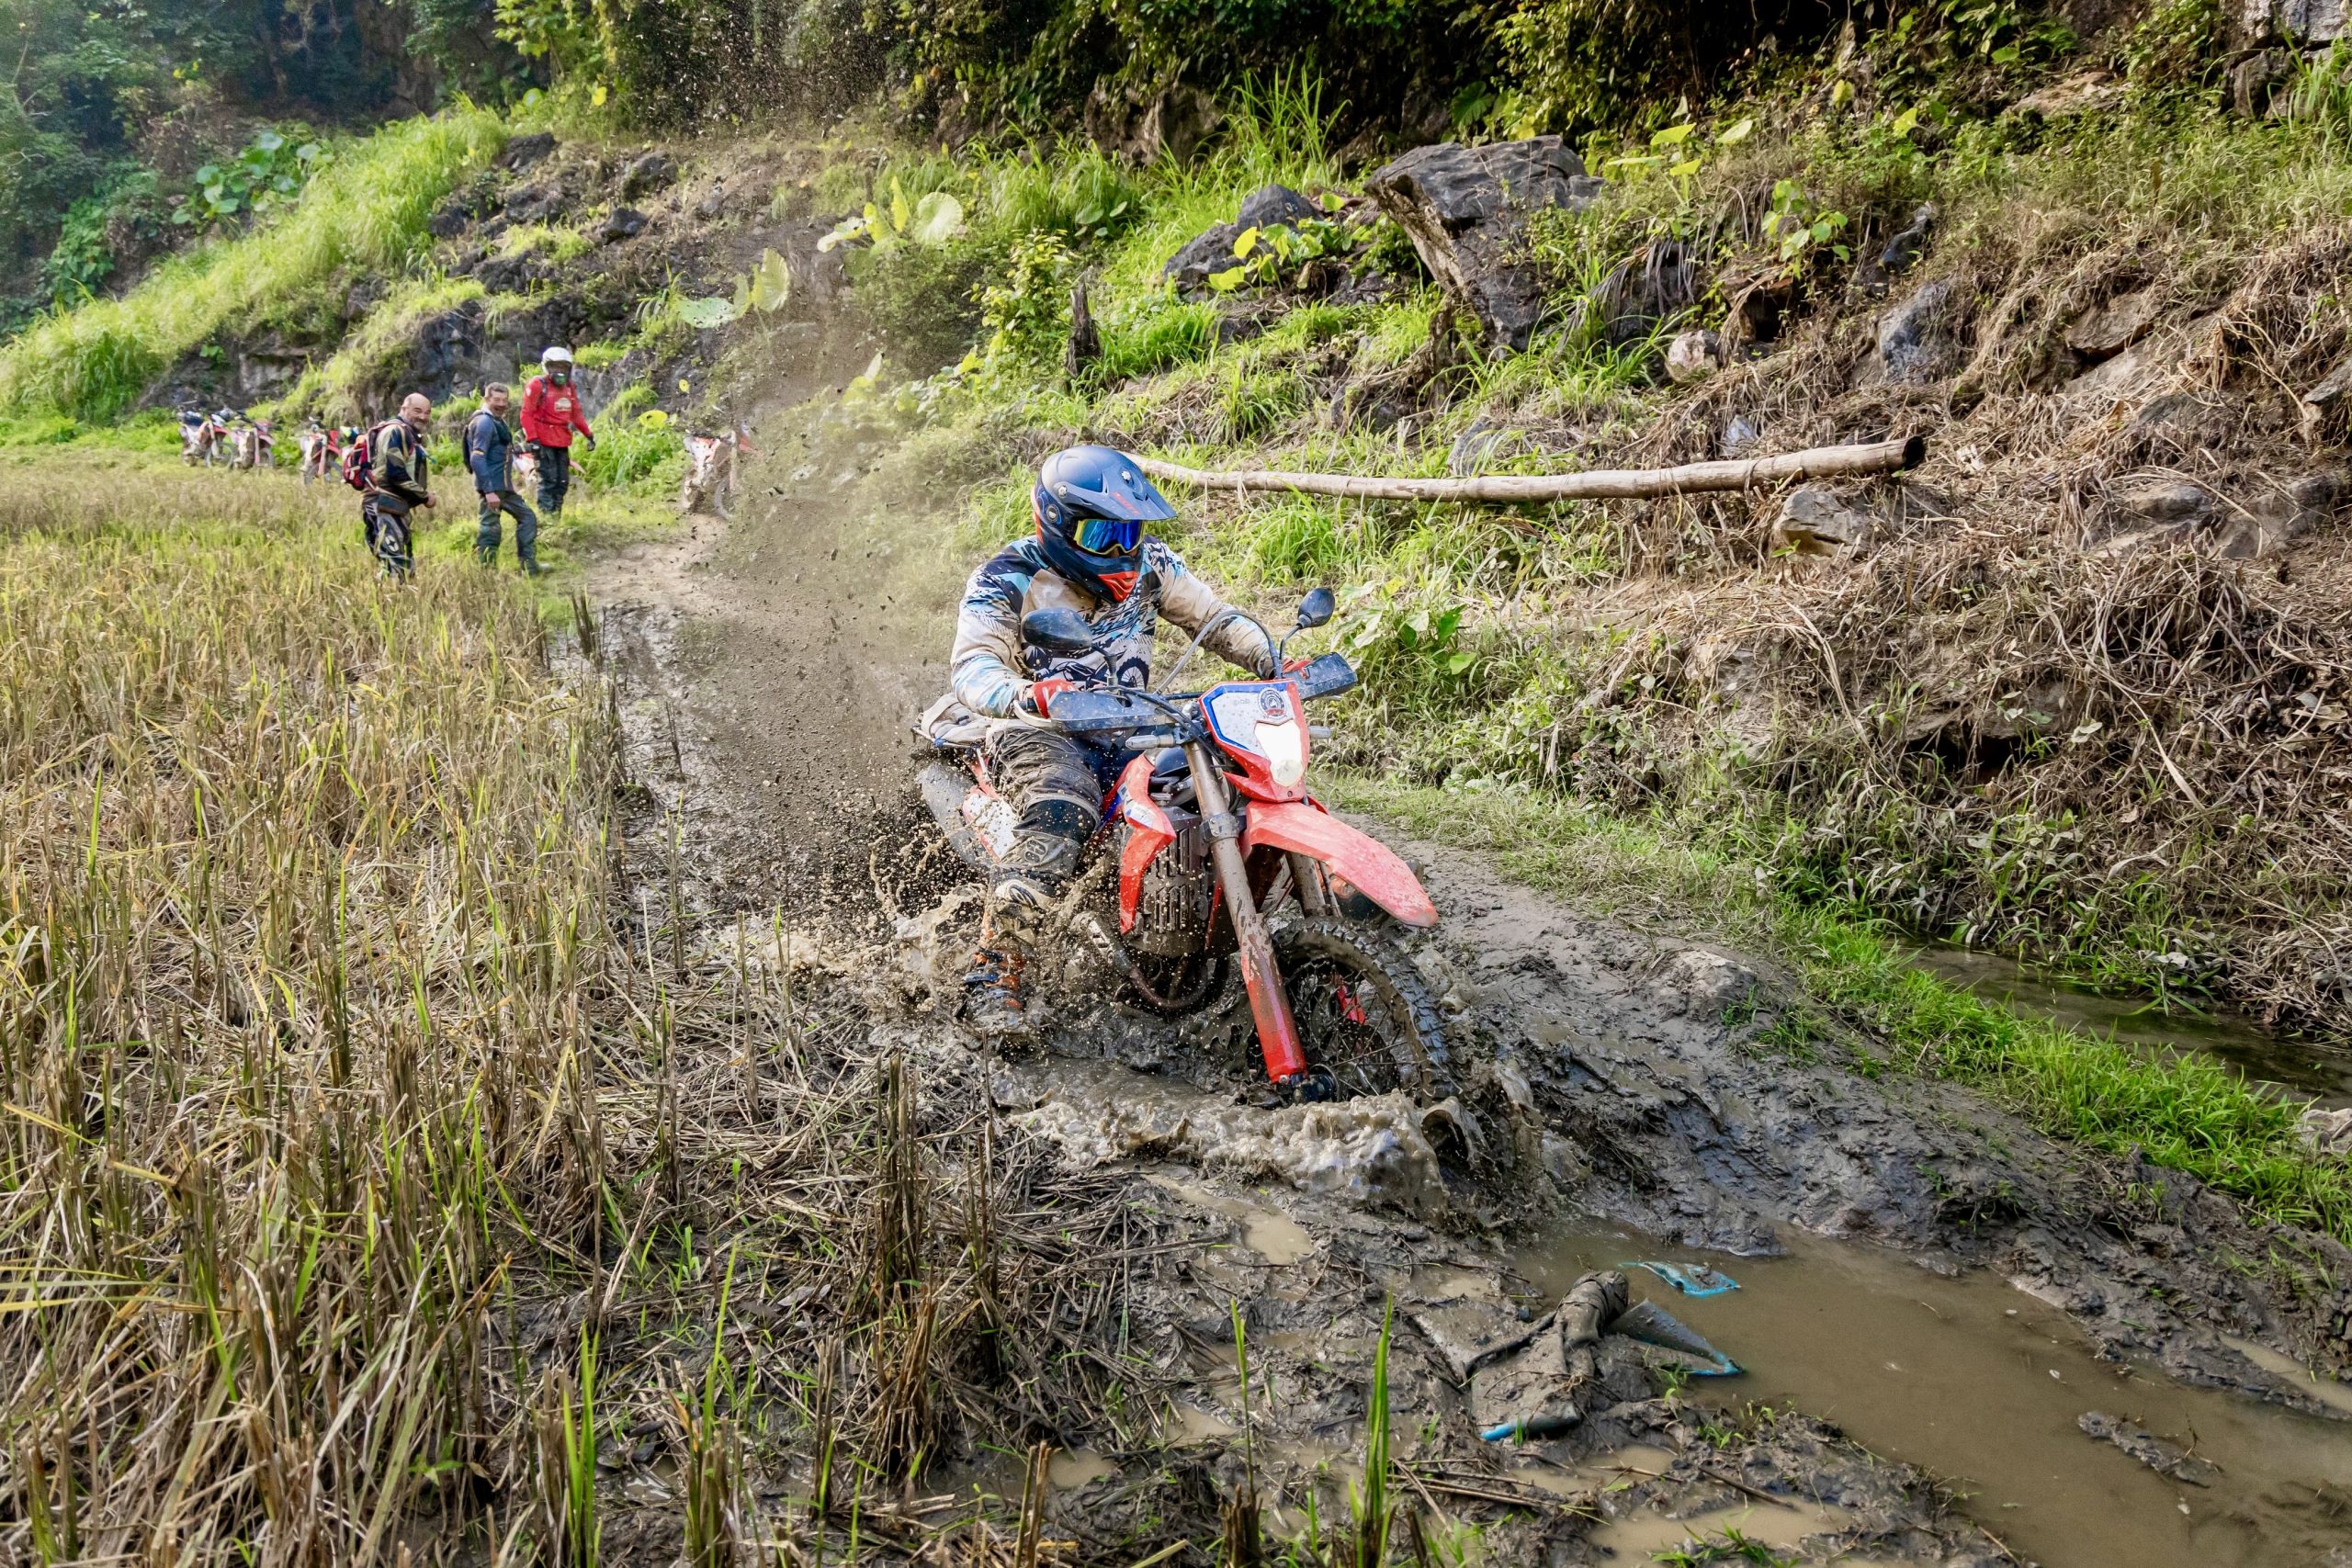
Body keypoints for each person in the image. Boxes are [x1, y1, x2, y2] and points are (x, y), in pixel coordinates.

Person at [931, 444, 1275, 1031]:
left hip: (1135, 722)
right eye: (1101, 534)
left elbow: (1217, 621)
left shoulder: (1152, 564)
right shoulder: (1005, 577)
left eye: (1129, 530)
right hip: (1041, 730)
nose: (1120, 548)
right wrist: (1026, 694)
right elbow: (973, 667)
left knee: (1226, 785)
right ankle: (999, 968)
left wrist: (1274, 658)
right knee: (1062, 809)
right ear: (1059, 526)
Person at [466, 383, 541, 574]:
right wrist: (489, 491)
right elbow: (477, 457)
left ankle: (529, 567)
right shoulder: (484, 423)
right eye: (496, 400)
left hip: (503, 487)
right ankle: (487, 572)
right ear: (486, 400)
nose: (501, 404)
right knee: (490, 528)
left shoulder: (495, 421)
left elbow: (500, 451)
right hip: (492, 486)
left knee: (528, 518)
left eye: (504, 400)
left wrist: (523, 452)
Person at [363, 392, 435, 580]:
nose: (423, 416)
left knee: (397, 560)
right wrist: (425, 496)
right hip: (384, 504)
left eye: (427, 412)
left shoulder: (407, 433)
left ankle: (394, 600)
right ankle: (389, 603)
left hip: (393, 505)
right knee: (395, 563)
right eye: (417, 411)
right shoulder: (396, 431)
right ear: (403, 408)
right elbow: (395, 473)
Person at [520, 346, 595, 516]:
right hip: (543, 442)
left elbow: (575, 413)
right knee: (548, 481)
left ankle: (556, 517)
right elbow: (526, 413)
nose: (559, 371)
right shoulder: (538, 385)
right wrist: (532, 439)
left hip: (561, 441)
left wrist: (588, 434)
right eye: (555, 366)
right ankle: (547, 520)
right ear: (547, 367)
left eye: (563, 367)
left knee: (562, 482)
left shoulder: (570, 387)